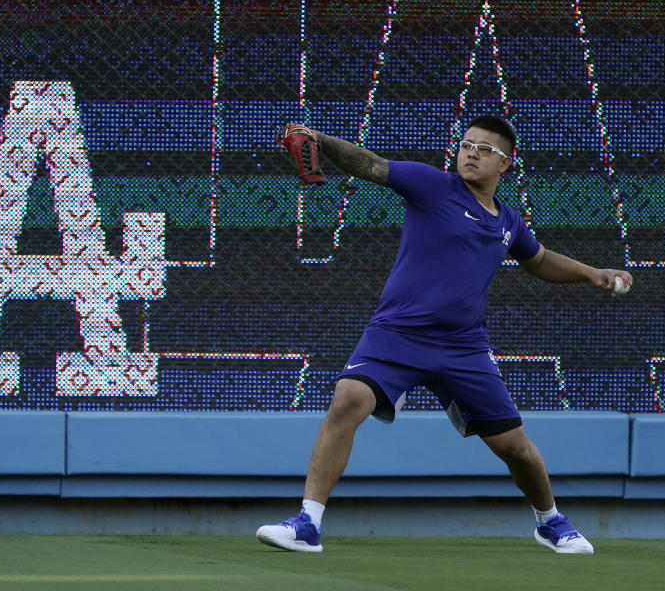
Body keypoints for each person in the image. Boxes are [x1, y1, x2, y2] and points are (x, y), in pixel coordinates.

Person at [257, 115, 633, 555]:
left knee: (516, 447)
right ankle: (307, 523)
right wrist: (317, 138)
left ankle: (550, 522)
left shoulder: (508, 221)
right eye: (467, 144)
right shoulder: (432, 186)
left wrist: (593, 274)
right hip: (397, 333)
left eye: (485, 149)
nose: (472, 152)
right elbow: (368, 164)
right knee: (348, 399)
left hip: (463, 348)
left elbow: (540, 260)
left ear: (505, 164)